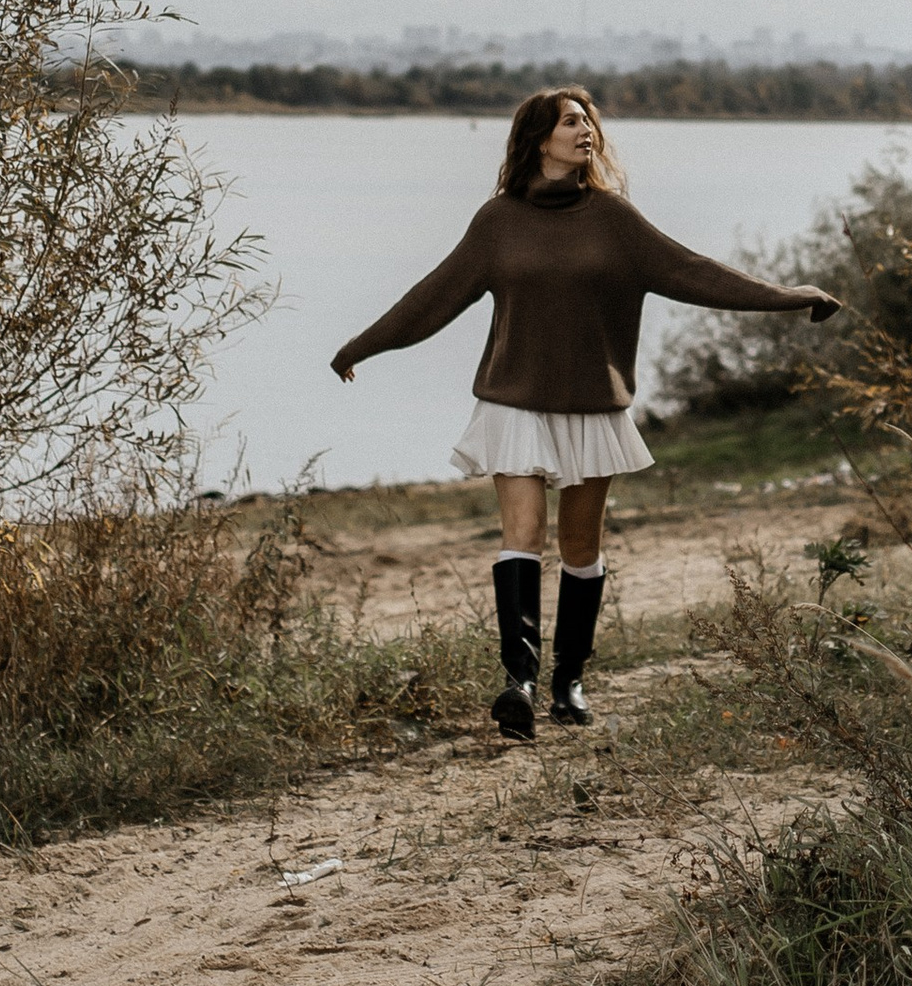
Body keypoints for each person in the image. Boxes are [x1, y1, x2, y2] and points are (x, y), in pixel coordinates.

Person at [330, 87, 839, 739]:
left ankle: (568, 681)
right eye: (572, 121)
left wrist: (789, 297)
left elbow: (696, 272)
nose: (586, 130)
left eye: (590, 121)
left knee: (579, 546)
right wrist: (361, 347)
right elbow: (435, 296)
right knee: (521, 537)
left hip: (592, 406)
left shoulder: (614, 219)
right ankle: (517, 681)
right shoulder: (498, 222)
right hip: (512, 401)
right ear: (538, 137)